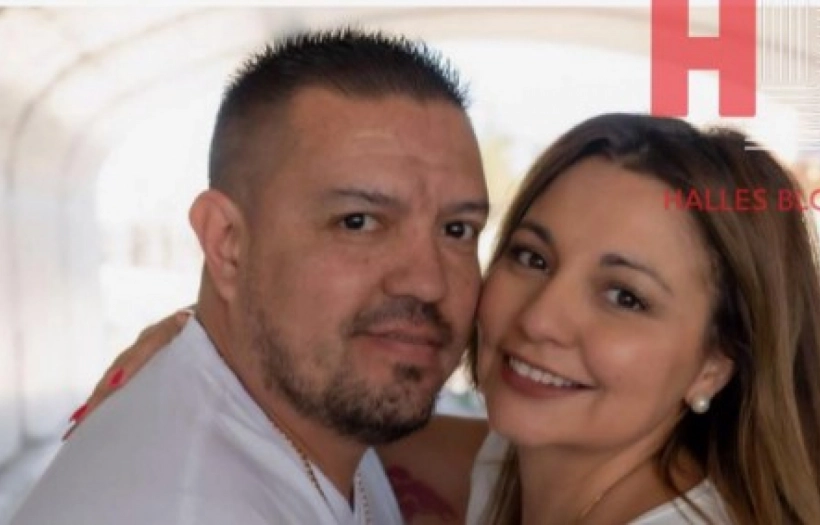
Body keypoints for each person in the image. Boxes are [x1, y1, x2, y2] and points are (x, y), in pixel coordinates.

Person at [65, 114, 820, 524]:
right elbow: (343, 407)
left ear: (713, 363)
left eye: (624, 295)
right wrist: (208, 337)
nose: (541, 318)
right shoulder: (521, 462)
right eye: (532, 256)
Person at [11, 27, 490, 525]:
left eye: (457, 229)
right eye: (357, 222)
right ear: (227, 243)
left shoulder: (308, 420)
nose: (428, 283)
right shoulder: (183, 507)